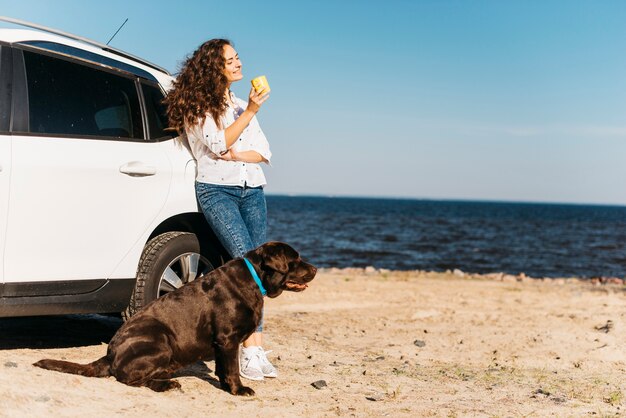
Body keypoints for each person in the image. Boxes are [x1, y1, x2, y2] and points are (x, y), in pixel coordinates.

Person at [165, 39, 275, 381]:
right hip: (218, 191)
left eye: (238, 57)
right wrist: (253, 113)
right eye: (231, 59)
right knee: (248, 266)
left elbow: (264, 152)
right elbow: (216, 143)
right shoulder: (199, 106)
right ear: (215, 68)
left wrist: (239, 153)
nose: (239, 63)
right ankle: (251, 351)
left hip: (252, 190)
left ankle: (253, 349)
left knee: (259, 269)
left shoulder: (240, 105)